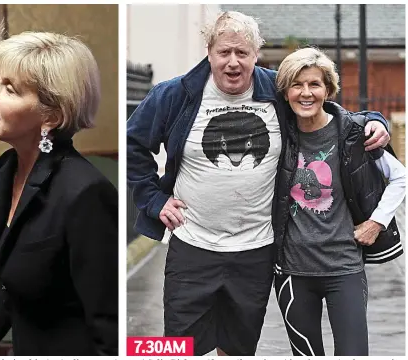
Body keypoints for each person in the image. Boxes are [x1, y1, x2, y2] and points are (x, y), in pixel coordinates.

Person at [126, 11, 391, 356]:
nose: (233, 62)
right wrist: (153, 199)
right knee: (179, 348)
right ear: (209, 52)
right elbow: (133, 143)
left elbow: (324, 111)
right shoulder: (175, 95)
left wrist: (374, 120)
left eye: (242, 53)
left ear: (256, 54)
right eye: (224, 52)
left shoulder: (276, 91)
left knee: (238, 348)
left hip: (256, 249)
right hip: (193, 244)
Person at [0, 31, 118, 355]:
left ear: (50, 116)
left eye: (9, 88)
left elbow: (108, 328)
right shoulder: (7, 167)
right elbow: (17, 286)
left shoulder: (86, 193)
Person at [273, 47, 405, 356]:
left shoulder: (354, 134)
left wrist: (376, 222)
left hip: (344, 267)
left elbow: (400, 178)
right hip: (293, 272)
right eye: (297, 84)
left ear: (328, 90)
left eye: (314, 84)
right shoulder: (278, 135)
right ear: (286, 92)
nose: (306, 93)